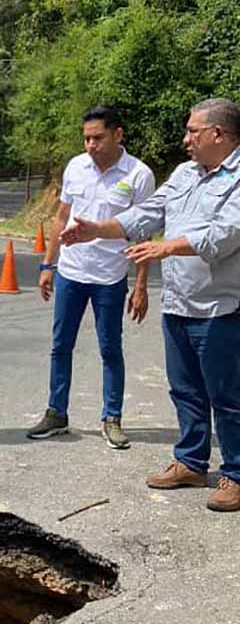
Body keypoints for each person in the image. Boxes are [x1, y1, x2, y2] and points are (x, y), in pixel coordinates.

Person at [60, 97, 240, 512]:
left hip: (220, 308)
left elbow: (223, 236)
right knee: (185, 390)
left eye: (193, 131)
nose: (186, 140)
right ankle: (191, 461)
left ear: (219, 134)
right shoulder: (184, 174)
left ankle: (235, 473)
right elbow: (147, 213)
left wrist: (165, 248)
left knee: (227, 395)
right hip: (178, 302)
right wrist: (96, 230)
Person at [27, 105, 156, 450]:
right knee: (60, 346)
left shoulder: (139, 175)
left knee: (110, 348)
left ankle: (111, 417)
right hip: (71, 272)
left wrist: (141, 284)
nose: (90, 145)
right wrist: (47, 265)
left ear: (118, 134)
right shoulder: (75, 168)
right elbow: (61, 217)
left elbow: (144, 234)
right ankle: (57, 413)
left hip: (110, 277)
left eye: (98, 137)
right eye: (86, 138)